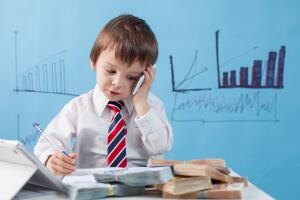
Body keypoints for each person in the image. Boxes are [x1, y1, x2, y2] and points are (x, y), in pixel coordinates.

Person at [34, 14, 173, 176]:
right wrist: (51, 158)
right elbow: (45, 143)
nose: (117, 83)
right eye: (111, 71)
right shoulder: (78, 107)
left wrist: (142, 103)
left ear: (145, 75)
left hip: (140, 188)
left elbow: (161, 146)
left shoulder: (152, 106)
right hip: (90, 187)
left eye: (132, 77)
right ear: (94, 61)